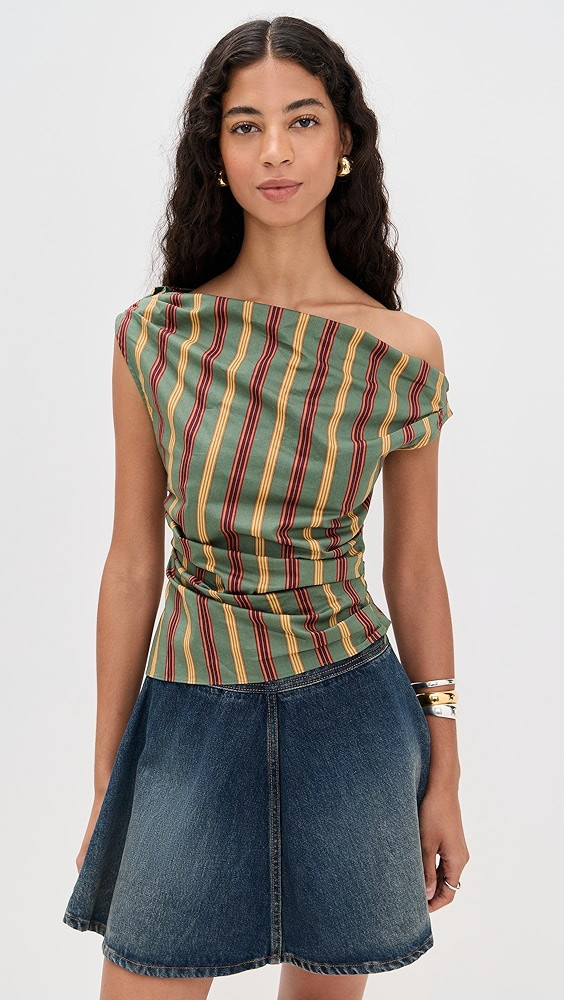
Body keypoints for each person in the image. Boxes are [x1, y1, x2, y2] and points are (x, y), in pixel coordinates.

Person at [62, 14, 470, 1000]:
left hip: (351, 714)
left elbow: (415, 568)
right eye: (246, 126)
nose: (275, 150)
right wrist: (108, 773)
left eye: (302, 120)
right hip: (190, 710)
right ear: (215, 153)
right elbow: (132, 561)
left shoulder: (401, 350)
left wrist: (446, 771)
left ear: (345, 143)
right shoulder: (155, 338)